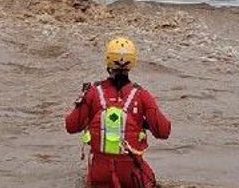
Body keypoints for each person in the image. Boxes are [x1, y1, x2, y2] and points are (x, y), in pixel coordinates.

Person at [65, 37, 171, 188]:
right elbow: (164, 132)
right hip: (131, 174)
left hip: (99, 174)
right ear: (132, 62)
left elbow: (71, 126)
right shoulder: (142, 95)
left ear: (108, 60)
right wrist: (143, 122)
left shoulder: (92, 92)